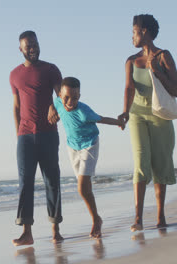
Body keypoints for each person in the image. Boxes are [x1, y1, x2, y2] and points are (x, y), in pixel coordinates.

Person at [118, 14, 177, 231]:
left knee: (161, 164)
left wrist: (158, 72)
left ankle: (160, 215)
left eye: (134, 31)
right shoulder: (130, 61)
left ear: (144, 31)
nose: (132, 36)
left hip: (160, 115)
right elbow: (128, 88)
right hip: (137, 115)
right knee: (140, 161)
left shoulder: (164, 57)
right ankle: (137, 218)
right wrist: (125, 113)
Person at [9, 30, 64, 246]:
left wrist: (55, 105)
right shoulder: (14, 74)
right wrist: (19, 134)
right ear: (20, 49)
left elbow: (62, 97)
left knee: (52, 181)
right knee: (25, 183)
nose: (33, 48)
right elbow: (16, 107)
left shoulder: (50, 69)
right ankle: (27, 232)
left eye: (35, 44)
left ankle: (55, 229)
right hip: (25, 137)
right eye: (28, 46)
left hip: (48, 133)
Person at [54, 77, 125, 238]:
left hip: (89, 145)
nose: (70, 102)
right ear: (59, 95)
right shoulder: (57, 103)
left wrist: (119, 122)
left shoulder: (84, 112)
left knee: (81, 187)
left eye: (75, 98)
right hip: (72, 147)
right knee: (85, 188)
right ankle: (97, 219)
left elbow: (101, 119)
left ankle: (95, 219)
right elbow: (54, 105)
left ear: (79, 96)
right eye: (66, 97)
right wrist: (51, 110)